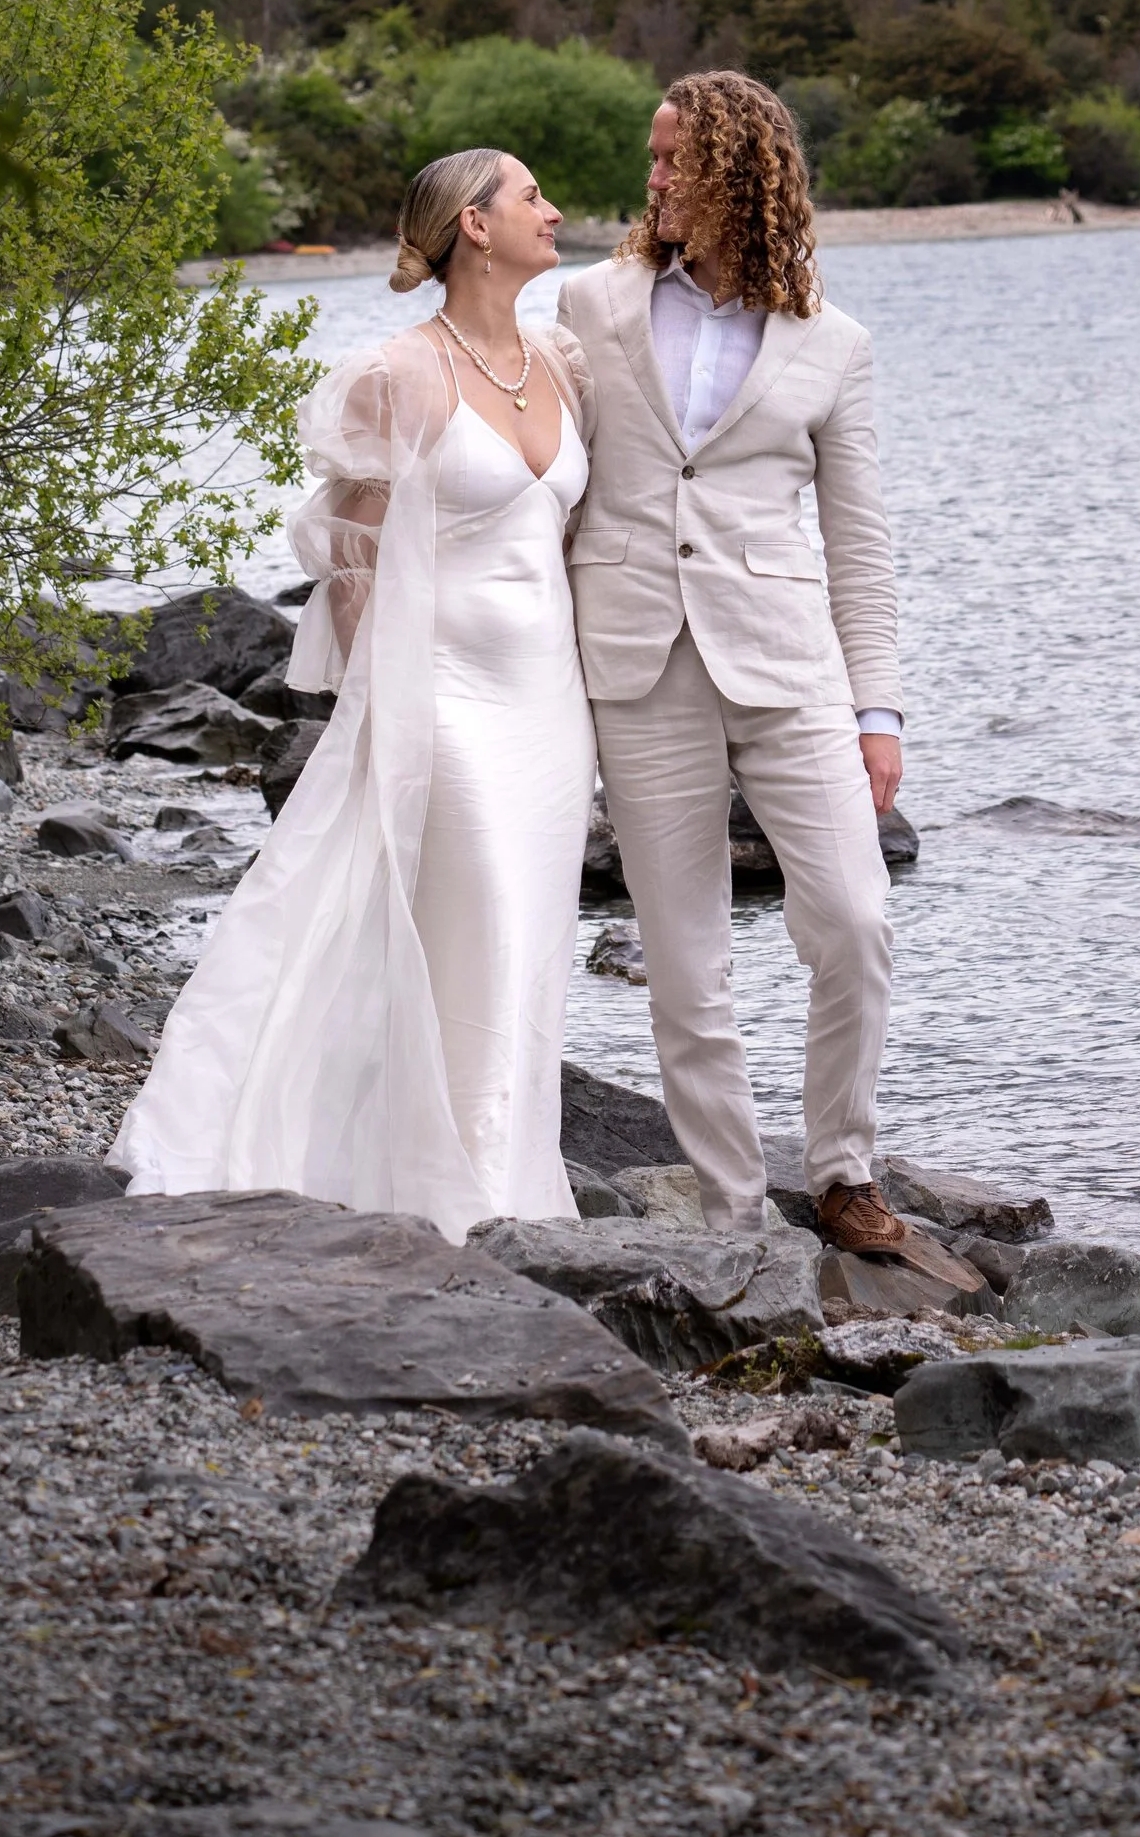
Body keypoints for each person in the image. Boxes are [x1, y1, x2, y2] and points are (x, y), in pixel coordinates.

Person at [113, 147, 594, 1237]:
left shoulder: (563, 361)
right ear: (473, 225)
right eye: (531, 195)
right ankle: (457, 1195)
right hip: (447, 698)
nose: (552, 210)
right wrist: (387, 705)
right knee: (474, 918)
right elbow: (350, 560)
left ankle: (510, 1178)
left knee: (528, 940)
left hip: (548, 708)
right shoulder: (394, 376)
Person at [558, 68, 944, 1267]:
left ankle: (842, 1170)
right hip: (637, 661)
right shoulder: (589, 304)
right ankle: (732, 1210)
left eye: (676, 160)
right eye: (652, 159)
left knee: (854, 920)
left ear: (741, 171)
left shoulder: (834, 345)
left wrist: (877, 707)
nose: (655, 179)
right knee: (685, 962)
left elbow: (861, 539)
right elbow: (541, 477)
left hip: (791, 668)